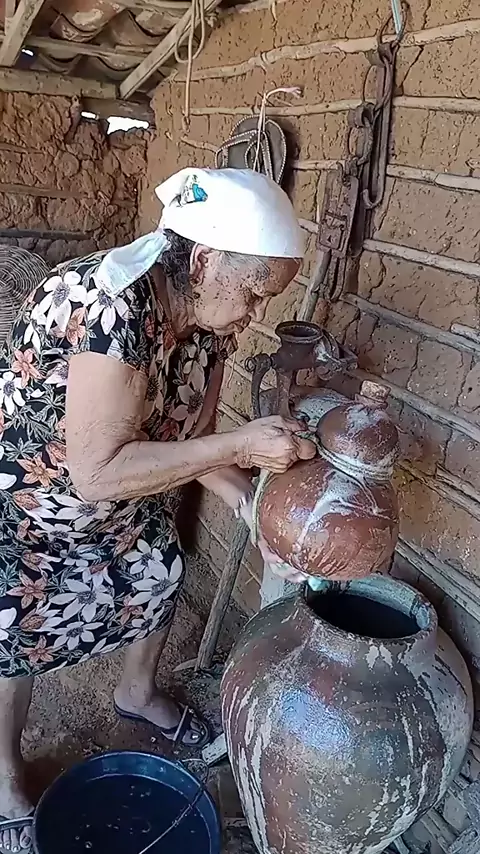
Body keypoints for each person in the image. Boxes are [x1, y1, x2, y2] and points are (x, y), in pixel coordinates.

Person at [0, 167, 316, 852]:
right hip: (34, 501)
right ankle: (4, 779)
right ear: (204, 261)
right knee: (14, 624)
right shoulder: (111, 307)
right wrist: (243, 445)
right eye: (255, 291)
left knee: (157, 571)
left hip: (123, 499)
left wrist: (249, 504)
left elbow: (196, 440)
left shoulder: (205, 322)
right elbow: (96, 472)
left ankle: (136, 694)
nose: (255, 313)